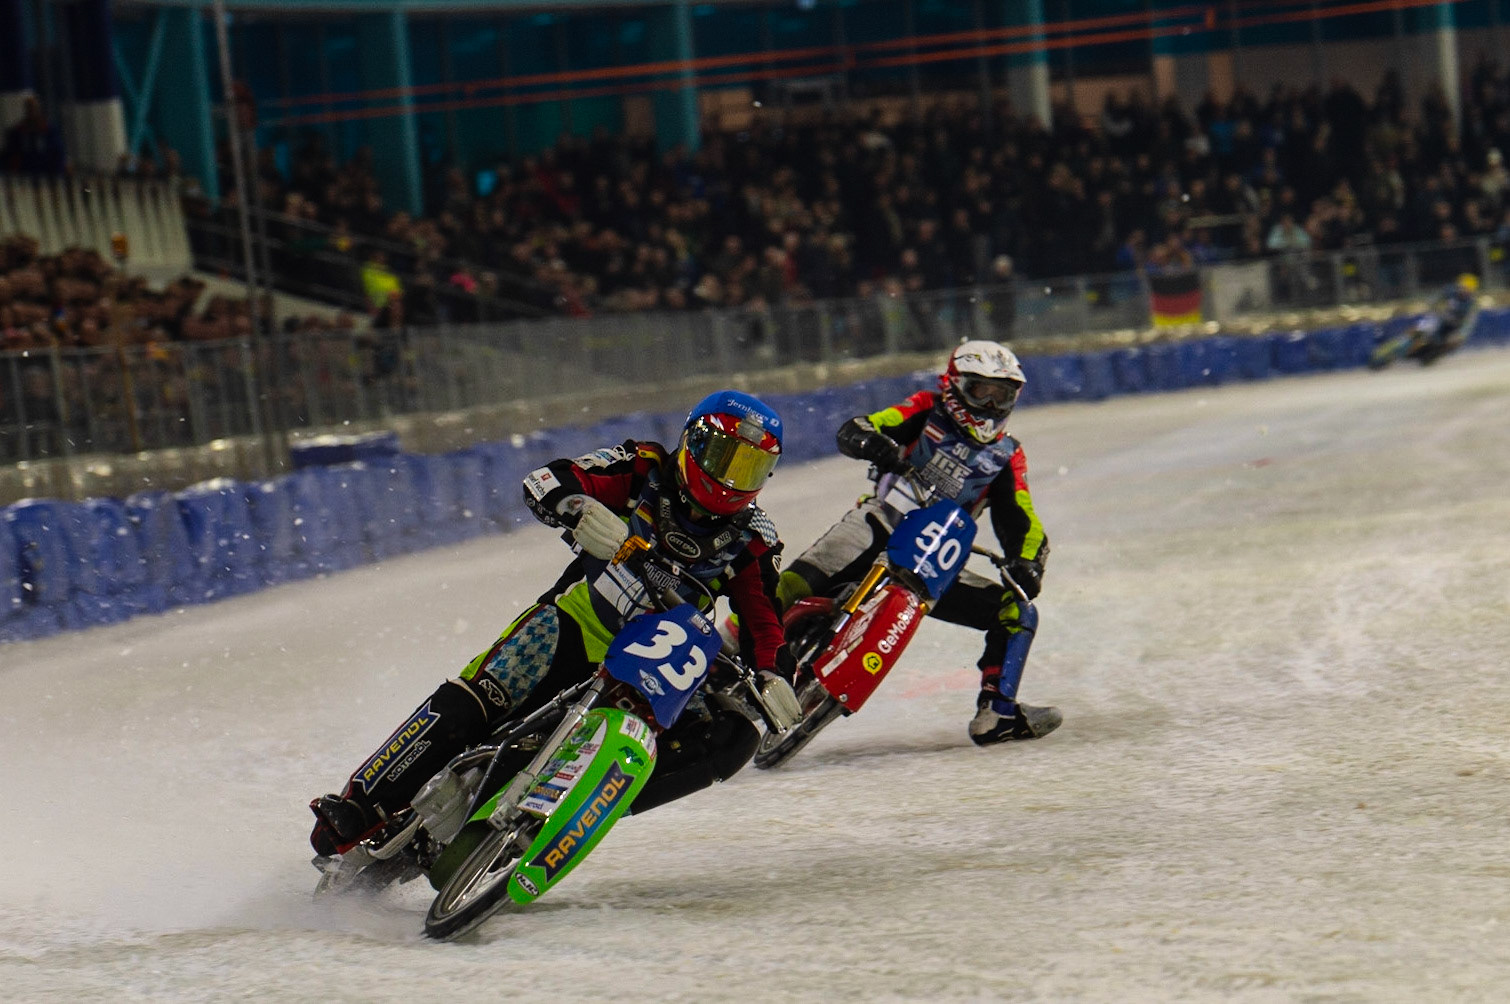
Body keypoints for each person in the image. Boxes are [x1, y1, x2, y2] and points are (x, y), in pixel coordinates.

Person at [310, 391, 795, 856]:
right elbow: (548, 480)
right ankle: (359, 803)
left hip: (661, 669)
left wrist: (776, 676)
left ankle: (583, 811)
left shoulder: (755, 538)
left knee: (736, 735)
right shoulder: (643, 466)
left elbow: (764, 621)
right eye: (724, 458)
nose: (731, 479)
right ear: (694, 442)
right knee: (487, 694)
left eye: (749, 467)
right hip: (578, 619)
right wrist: (579, 509)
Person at [775, 340, 1061, 746]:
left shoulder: (1007, 454)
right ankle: (729, 646)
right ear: (957, 385)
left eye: (1003, 394)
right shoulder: (926, 408)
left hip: (935, 560)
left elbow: (1022, 517)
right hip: (879, 523)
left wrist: (1029, 561)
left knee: (1018, 610)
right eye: (983, 391)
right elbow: (865, 425)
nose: (993, 405)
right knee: (793, 584)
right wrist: (867, 439)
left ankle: (996, 713)